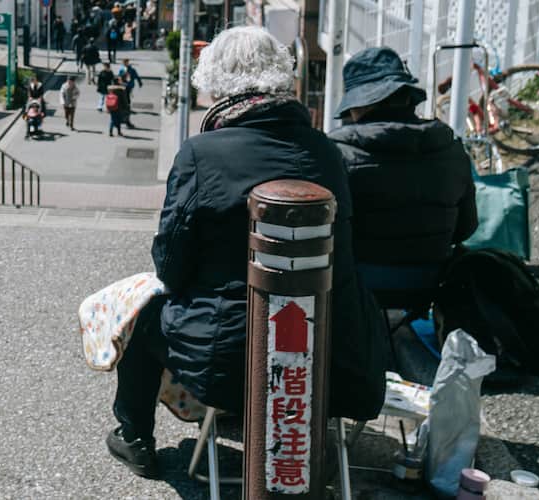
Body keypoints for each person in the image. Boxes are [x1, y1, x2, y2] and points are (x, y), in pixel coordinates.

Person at [106, 26, 386, 479]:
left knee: (144, 313)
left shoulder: (202, 154)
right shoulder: (327, 151)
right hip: (335, 359)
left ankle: (135, 434)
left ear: (215, 81)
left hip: (230, 368)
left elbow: (170, 266)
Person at [327, 47, 478, 287]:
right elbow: (466, 228)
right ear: (407, 97)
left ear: (359, 106)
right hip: (432, 280)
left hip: (358, 282)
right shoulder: (451, 148)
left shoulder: (337, 154)